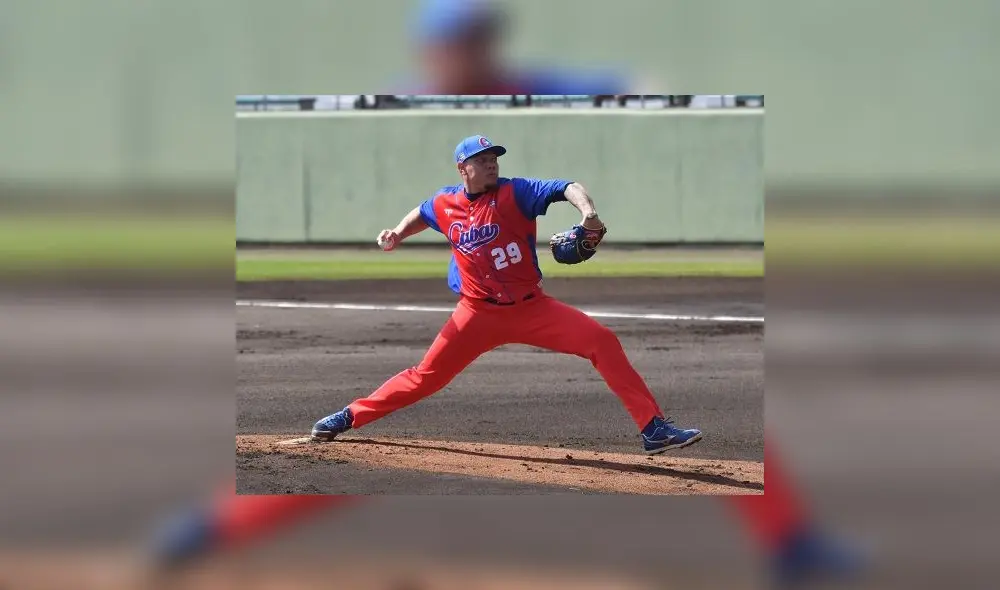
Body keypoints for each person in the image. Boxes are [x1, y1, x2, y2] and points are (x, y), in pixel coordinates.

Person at [310, 134, 703, 454]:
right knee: (424, 378)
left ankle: (654, 429)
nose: (492, 163)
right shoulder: (445, 202)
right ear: (463, 168)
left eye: (494, 156)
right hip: (476, 314)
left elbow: (568, 186)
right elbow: (423, 212)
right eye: (482, 158)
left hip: (533, 309)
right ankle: (348, 416)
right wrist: (397, 231)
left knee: (602, 341)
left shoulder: (517, 193)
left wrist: (588, 213)